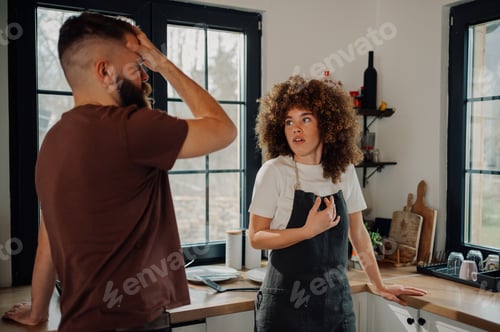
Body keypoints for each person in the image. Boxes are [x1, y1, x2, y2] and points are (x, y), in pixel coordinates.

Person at [4, 12, 236, 332]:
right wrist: (163, 63)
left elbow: (48, 239)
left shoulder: (53, 142)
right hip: (133, 321)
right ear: (105, 70)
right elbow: (223, 130)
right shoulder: (131, 128)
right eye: (137, 66)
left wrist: (38, 311)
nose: (145, 76)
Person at [248, 75, 426, 332]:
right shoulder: (274, 172)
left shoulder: (343, 171)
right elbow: (256, 237)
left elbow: (358, 233)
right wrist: (306, 231)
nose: (295, 129)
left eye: (305, 119)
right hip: (284, 308)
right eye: (289, 121)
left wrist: (378, 284)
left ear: (327, 124)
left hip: (335, 307)